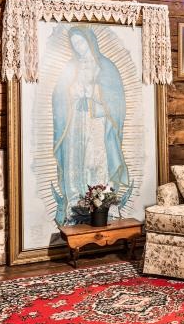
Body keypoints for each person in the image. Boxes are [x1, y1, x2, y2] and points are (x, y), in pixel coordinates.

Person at [51, 26, 130, 225]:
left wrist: (94, 91)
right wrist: (72, 92)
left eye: (81, 42)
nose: (78, 47)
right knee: (76, 159)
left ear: (90, 41)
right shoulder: (71, 67)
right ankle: (77, 202)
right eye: (74, 44)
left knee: (96, 159)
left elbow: (116, 98)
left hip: (97, 121)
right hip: (76, 121)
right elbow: (59, 95)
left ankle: (102, 204)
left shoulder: (106, 66)